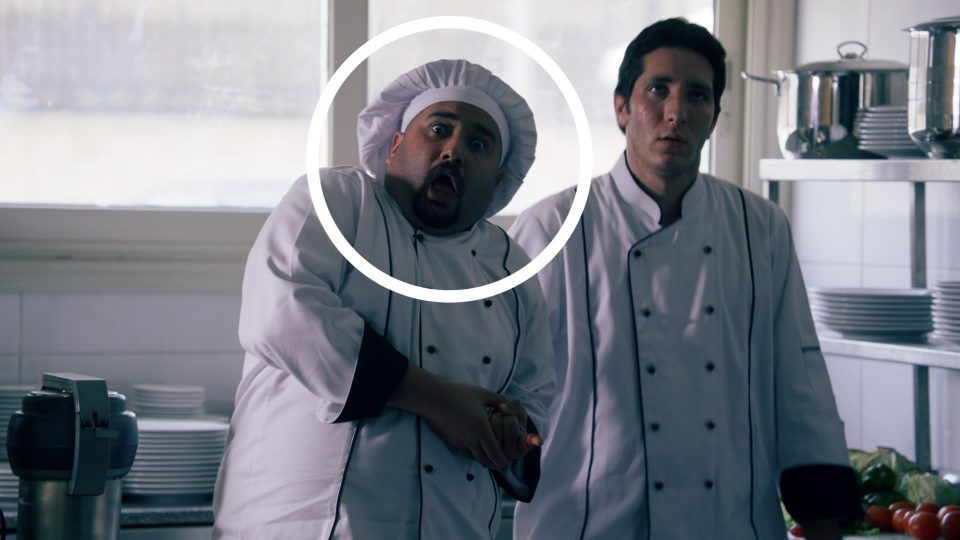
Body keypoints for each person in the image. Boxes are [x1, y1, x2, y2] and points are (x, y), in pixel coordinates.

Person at [509, 18, 862, 540]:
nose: (676, 112)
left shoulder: (759, 227)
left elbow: (799, 377)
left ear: (714, 117)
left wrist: (822, 520)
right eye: (658, 89)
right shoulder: (554, 227)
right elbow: (512, 383)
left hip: (730, 524)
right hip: (587, 524)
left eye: (697, 95)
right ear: (621, 107)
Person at [213, 58, 555, 539]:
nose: (453, 151)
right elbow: (282, 319)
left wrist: (513, 432)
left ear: (497, 181)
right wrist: (441, 402)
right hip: (303, 524)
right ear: (394, 145)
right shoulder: (338, 201)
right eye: (439, 129)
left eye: (478, 144)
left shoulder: (511, 270)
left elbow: (535, 395)